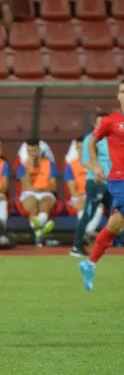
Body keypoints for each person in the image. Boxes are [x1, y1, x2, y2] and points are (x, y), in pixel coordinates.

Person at [79, 80, 124, 290]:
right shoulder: (110, 121)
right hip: (119, 177)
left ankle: (89, 263)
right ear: (118, 95)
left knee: (115, 225)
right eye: (123, 91)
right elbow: (90, 142)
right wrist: (96, 166)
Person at [71, 113, 111, 258]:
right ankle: (76, 246)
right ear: (95, 124)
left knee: (118, 214)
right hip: (96, 183)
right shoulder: (91, 139)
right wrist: (97, 170)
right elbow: (85, 161)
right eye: (100, 122)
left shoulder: (113, 138)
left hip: (112, 183)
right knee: (89, 213)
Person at [16, 138, 57, 246]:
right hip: (28, 193)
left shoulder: (49, 164)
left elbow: (53, 186)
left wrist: (41, 189)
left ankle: (38, 230)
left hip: (46, 192)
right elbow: (25, 187)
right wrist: (28, 170)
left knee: (45, 203)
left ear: (39, 151)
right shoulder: (23, 166)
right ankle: (40, 231)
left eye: (34, 151)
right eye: (30, 151)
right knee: (32, 204)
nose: (32, 154)